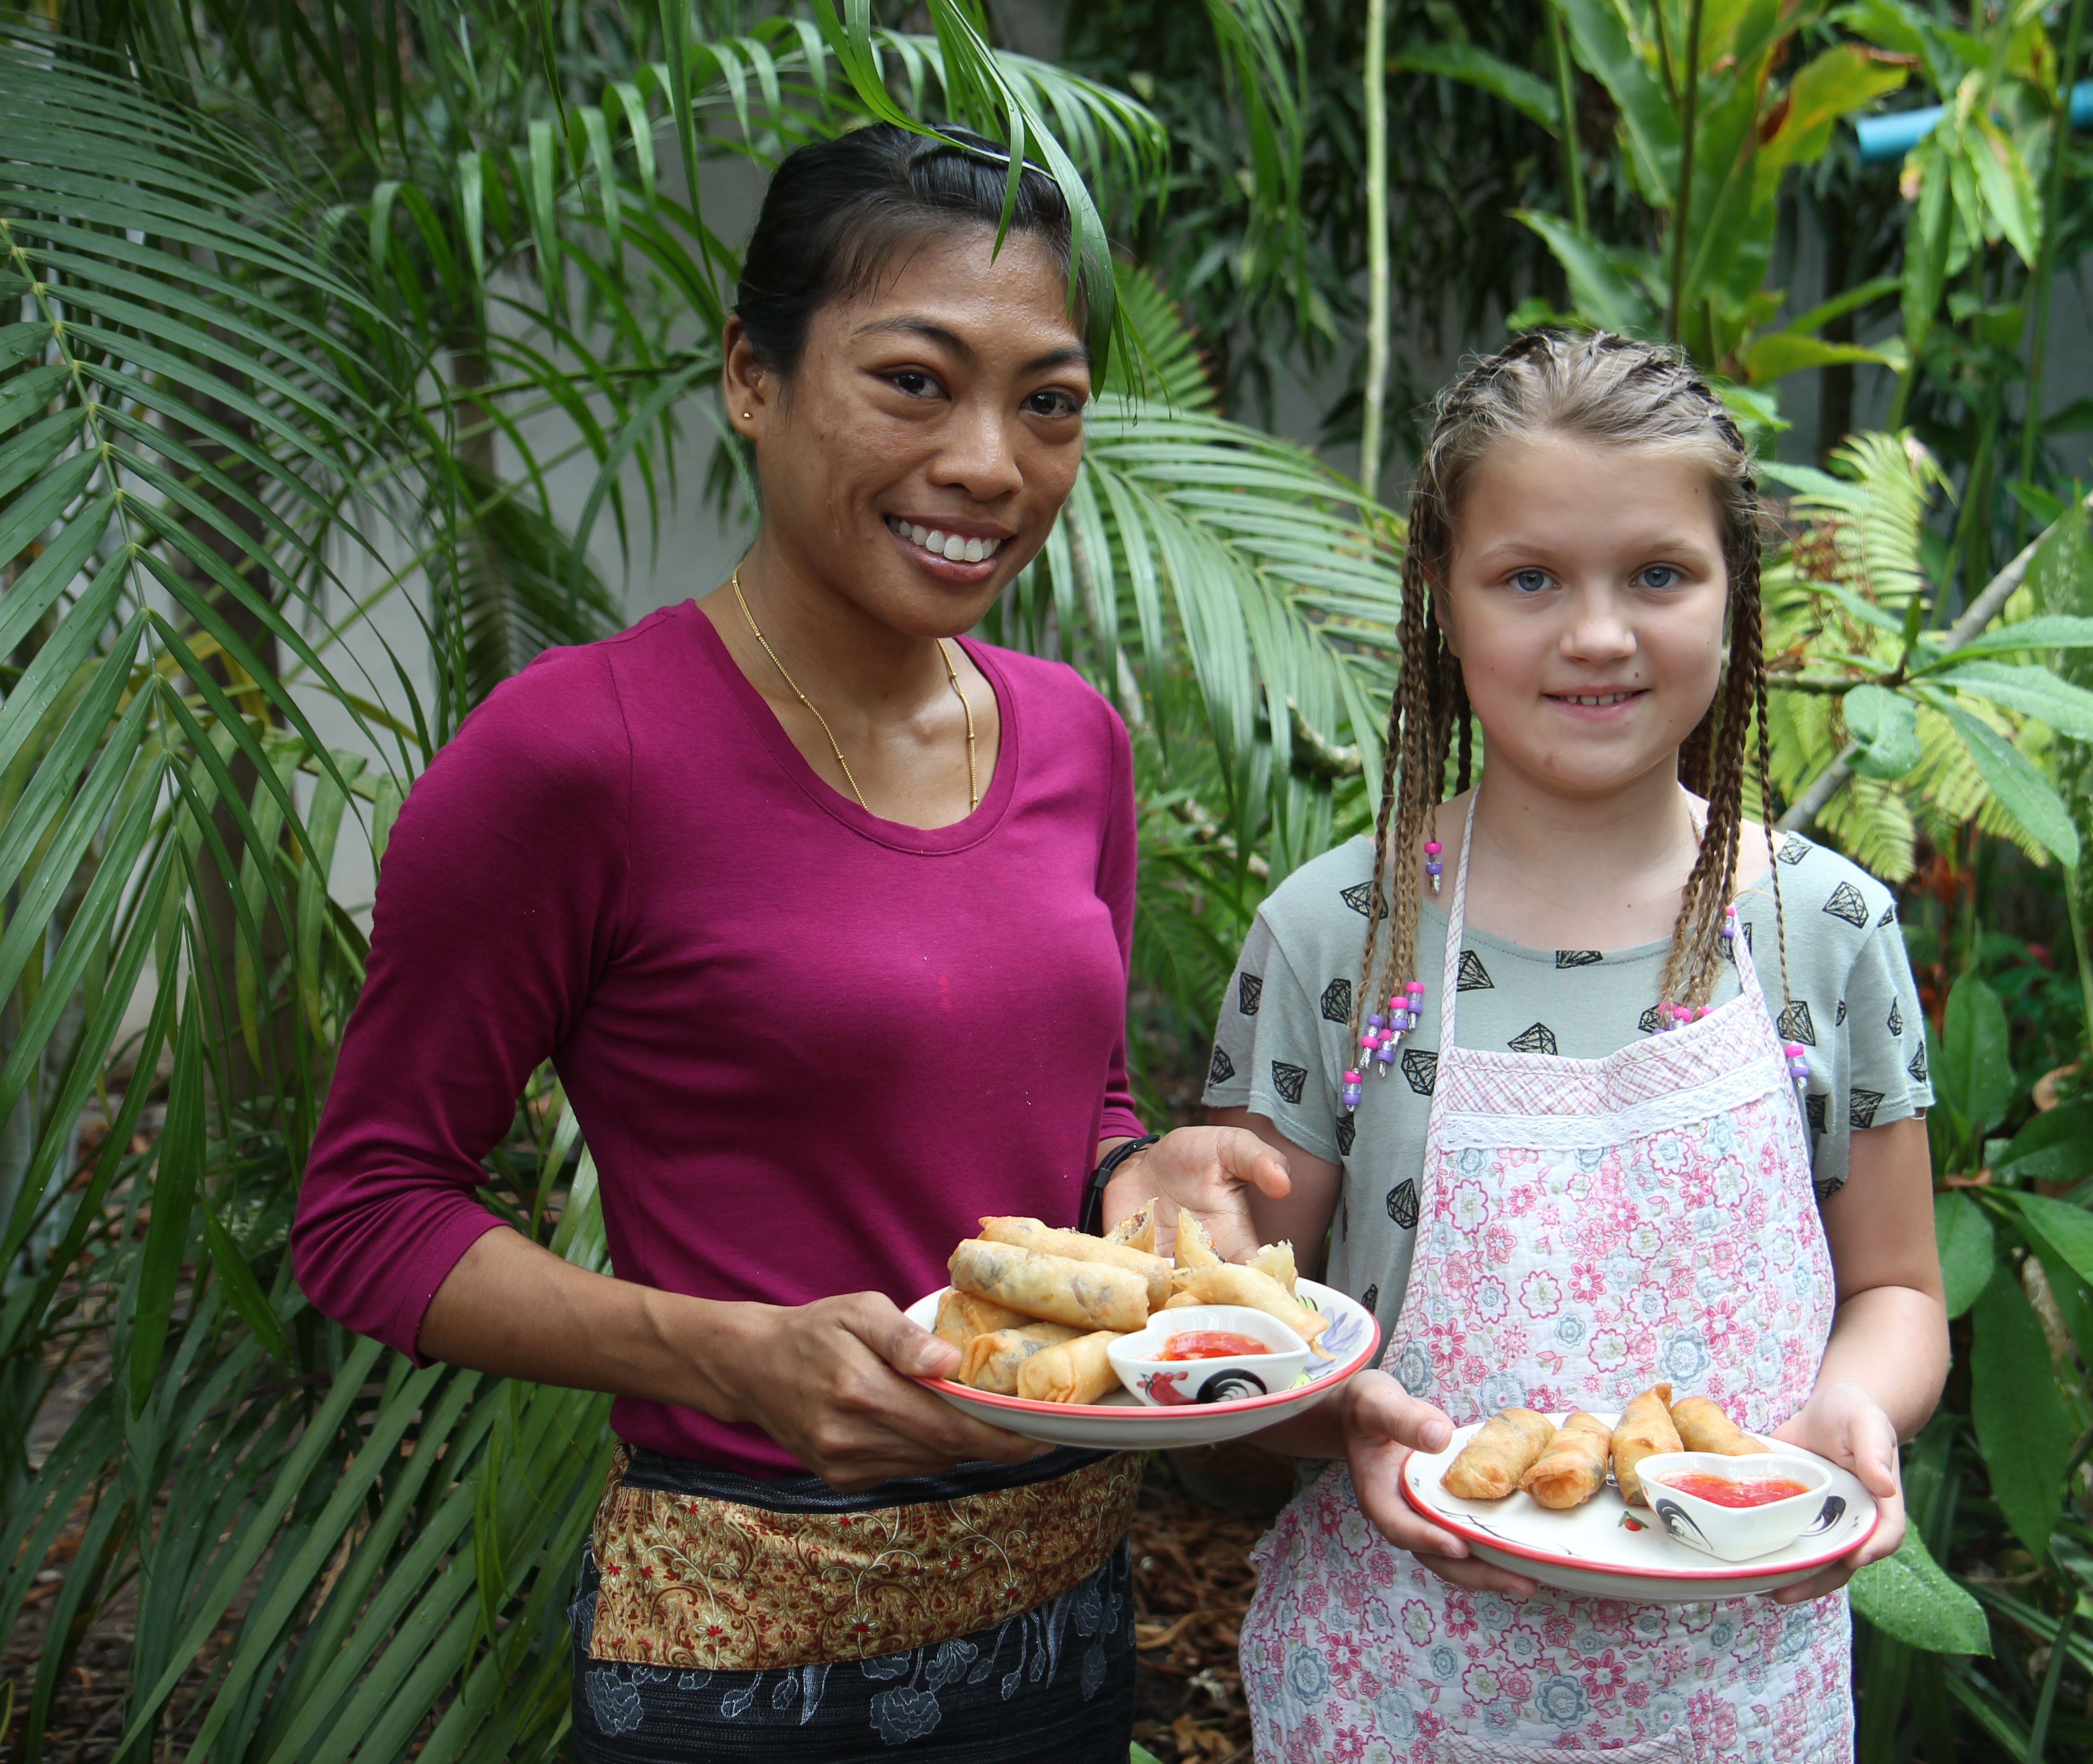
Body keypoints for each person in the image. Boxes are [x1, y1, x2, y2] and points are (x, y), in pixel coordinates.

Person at [289, 122, 1287, 1762]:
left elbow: (1075, 1102)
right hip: (739, 1664)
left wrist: (1136, 1182)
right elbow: (368, 1212)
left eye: (1050, 403)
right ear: (754, 375)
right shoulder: (580, 755)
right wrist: (727, 1353)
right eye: (916, 380)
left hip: (1063, 1623)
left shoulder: (1074, 739)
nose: (991, 462)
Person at [1204, 331, 1951, 1759]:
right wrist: (1345, 1423)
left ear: (1735, 598)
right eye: (1529, 577)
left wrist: (1854, 1408)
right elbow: (1256, 1358)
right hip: (1406, 1690)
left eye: (1658, 575)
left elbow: (1902, 1286)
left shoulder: (1824, 930)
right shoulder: (1336, 934)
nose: (1597, 634)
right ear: (1443, 601)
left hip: (1737, 1693)